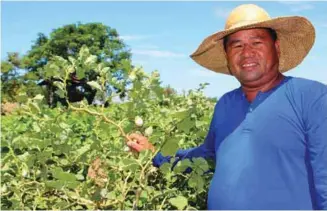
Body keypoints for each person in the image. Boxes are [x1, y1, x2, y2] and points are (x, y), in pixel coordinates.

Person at [127, 4, 327, 210]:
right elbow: (205, 155)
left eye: (257, 42)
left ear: (276, 48)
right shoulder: (225, 104)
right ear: (227, 55)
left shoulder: (312, 97)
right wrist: (154, 155)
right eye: (237, 45)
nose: (247, 52)